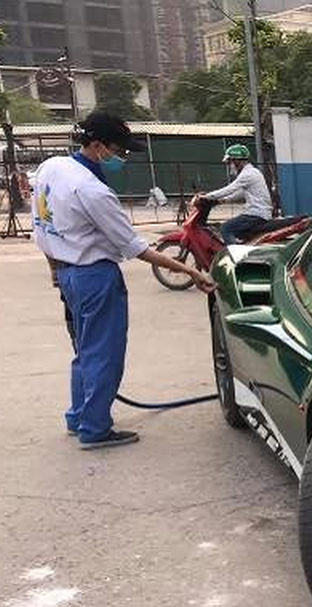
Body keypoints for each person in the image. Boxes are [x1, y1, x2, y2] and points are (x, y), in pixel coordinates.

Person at [32, 111, 215, 450]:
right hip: (95, 277)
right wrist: (189, 270)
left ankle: (79, 416)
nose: (122, 158)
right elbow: (135, 248)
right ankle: (95, 428)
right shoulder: (92, 192)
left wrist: (56, 272)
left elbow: (42, 228)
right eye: (118, 151)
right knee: (104, 353)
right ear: (97, 145)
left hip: (68, 273)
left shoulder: (51, 168)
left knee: (84, 350)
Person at [198, 143, 273, 244]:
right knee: (231, 227)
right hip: (259, 213)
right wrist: (223, 201)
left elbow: (229, 189)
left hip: (256, 214)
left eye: (230, 162)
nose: (229, 165)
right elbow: (242, 193)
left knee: (225, 228)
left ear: (237, 160)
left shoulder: (248, 174)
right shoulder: (252, 172)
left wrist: (207, 196)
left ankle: (235, 256)